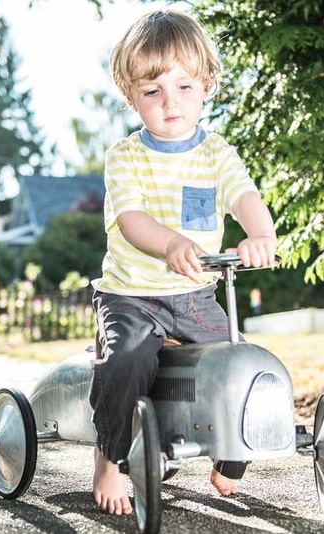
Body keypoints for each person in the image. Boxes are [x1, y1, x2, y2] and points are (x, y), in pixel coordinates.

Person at [89, 9, 278, 515]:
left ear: (207, 84)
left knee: (238, 365)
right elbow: (130, 219)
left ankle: (229, 457)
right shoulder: (124, 157)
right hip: (132, 294)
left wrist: (260, 233)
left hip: (193, 296)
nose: (170, 102)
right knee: (126, 358)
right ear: (132, 97)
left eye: (183, 86)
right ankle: (108, 458)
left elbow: (245, 198)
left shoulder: (217, 153)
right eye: (152, 92)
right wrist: (171, 242)